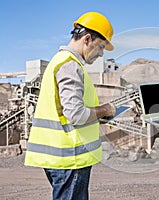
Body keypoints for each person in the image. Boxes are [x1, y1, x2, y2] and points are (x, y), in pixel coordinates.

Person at [24, 11, 116, 200]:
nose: (101, 54)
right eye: (100, 47)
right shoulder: (70, 65)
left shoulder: (60, 61)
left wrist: (97, 116)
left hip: (63, 157)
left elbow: (66, 113)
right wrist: (104, 110)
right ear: (87, 39)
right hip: (70, 158)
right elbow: (75, 115)